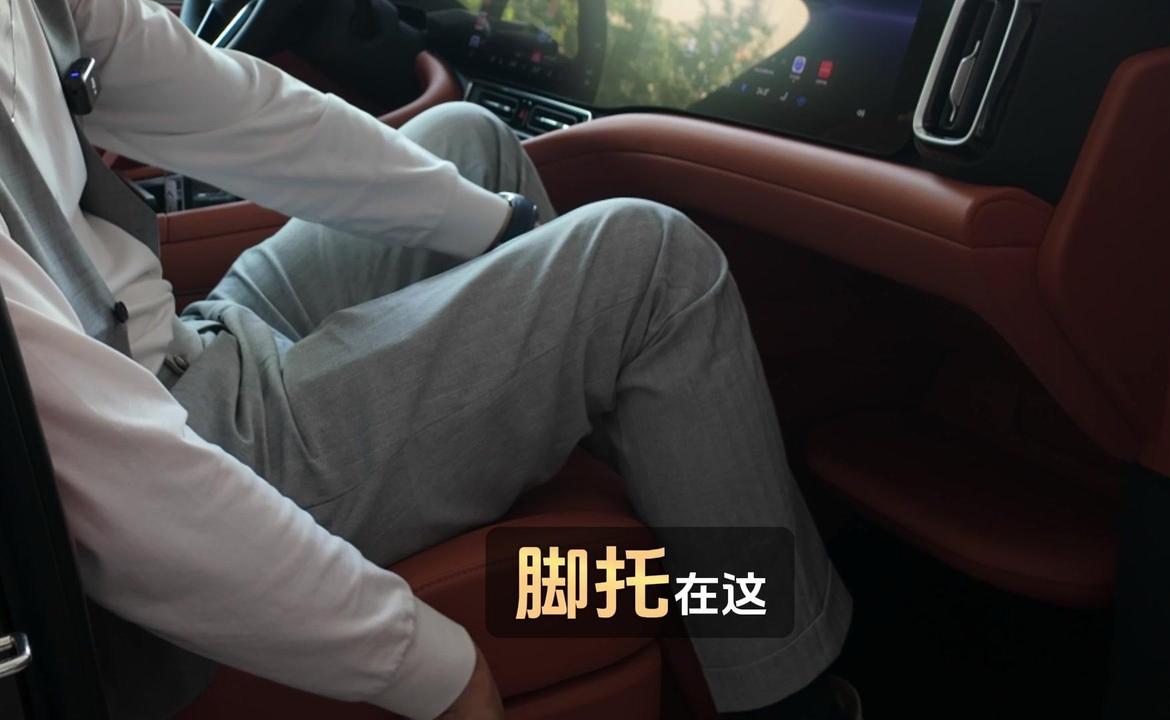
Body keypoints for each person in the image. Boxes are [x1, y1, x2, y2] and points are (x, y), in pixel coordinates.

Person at [0, 0, 856, 717]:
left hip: (183, 347)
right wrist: (433, 667)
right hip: (172, 446)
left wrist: (500, 225)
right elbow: (96, 470)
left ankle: (671, 553)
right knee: (652, 264)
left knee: (468, 141)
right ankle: (786, 697)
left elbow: (233, 108)